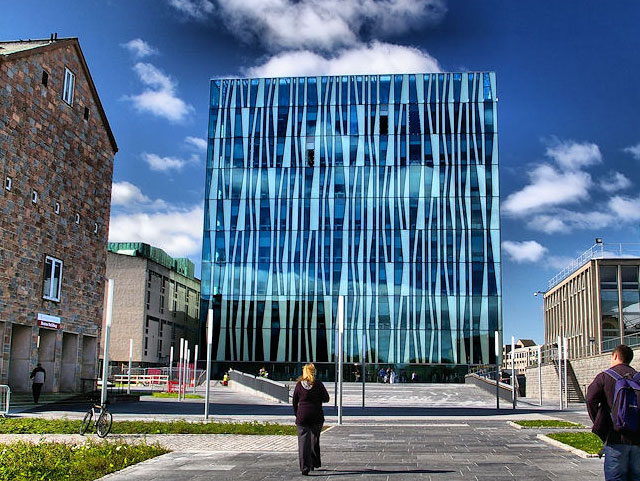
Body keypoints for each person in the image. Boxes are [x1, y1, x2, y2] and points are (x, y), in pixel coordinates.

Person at [586, 344, 640, 480]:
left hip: (616, 438)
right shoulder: (638, 378)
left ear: (615, 356)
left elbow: (590, 399)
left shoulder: (605, 376)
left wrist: (599, 422)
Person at [292, 363, 330, 476]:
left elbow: (294, 401)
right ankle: (314, 463)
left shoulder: (299, 385)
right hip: (316, 415)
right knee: (314, 438)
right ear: (314, 372)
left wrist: (297, 414)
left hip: (302, 415)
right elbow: (326, 398)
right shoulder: (318, 384)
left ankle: (304, 467)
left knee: (303, 441)